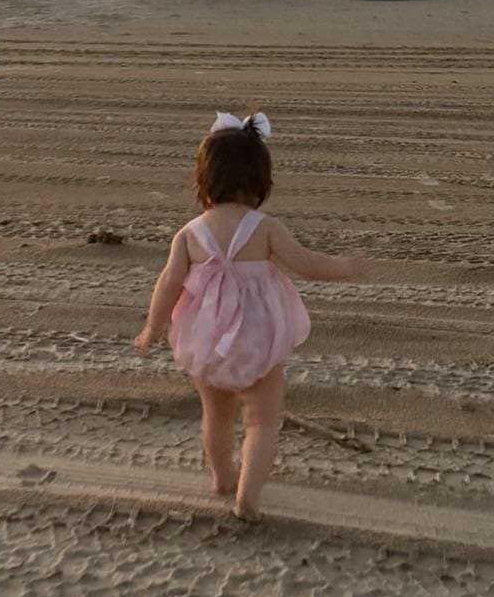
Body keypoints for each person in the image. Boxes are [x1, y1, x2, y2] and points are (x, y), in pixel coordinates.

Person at [135, 111, 368, 520]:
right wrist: (346, 267)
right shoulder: (265, 227)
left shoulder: (190, 234)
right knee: (262, 420)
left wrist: (154, 325)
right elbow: (306, 263)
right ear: (261, 182)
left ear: (204, 181)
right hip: (259, 338)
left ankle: (222, 478)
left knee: (216, 415)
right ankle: (248, 496)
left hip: (206, 339)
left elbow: (168, 283)